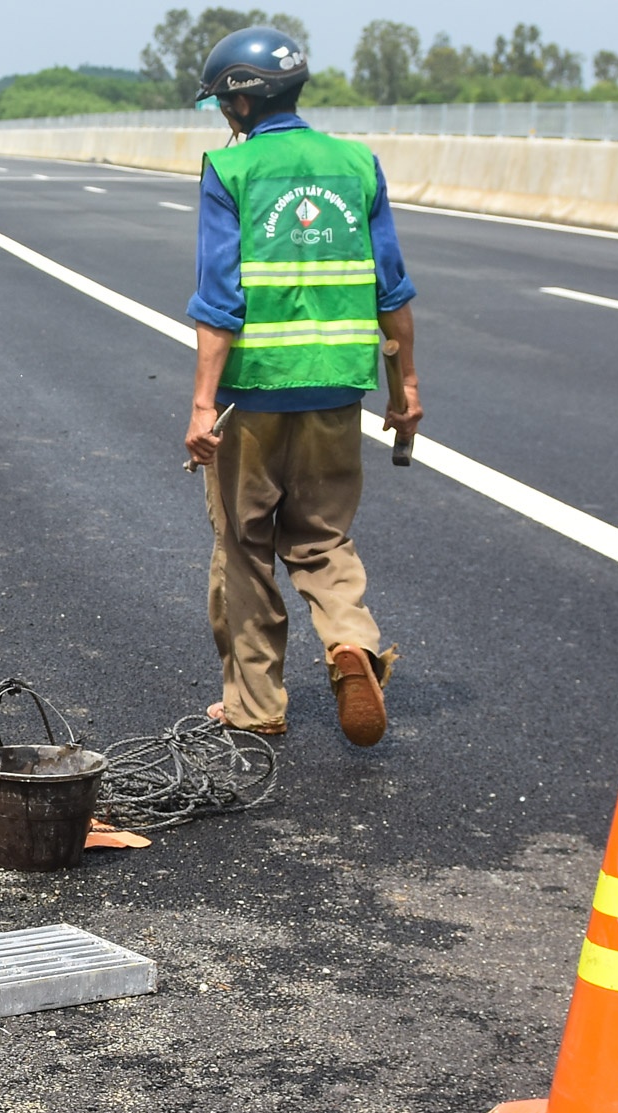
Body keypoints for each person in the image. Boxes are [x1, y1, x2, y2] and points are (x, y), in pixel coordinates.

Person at [183, 25, 424, 747]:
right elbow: (392, 289)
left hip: (254, 394)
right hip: (338, 390)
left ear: (240, 101)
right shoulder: (357, 163)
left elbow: (219, 300)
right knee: (322, 538)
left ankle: (256, 705)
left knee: (245, 546)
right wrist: (405, 388)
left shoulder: (231, 170)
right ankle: (351, 643)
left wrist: (202, 405)